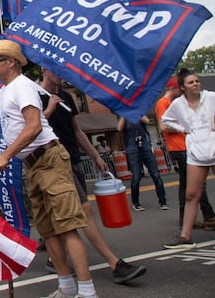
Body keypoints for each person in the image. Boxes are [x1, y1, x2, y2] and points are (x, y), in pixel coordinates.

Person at [0, 40, 98, 298]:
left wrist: (6, 156)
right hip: (34, 164)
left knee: (66, 225)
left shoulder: (22, 87)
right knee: (48, 229)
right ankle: (66, 286)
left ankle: (87, 291)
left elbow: (34, 126)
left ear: (11, 62)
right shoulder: (8, 89)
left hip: (49, 160)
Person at [41, 67, 146, 284]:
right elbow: (33, 127)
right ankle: (115, 264)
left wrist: (96, 156)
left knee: (62, 216)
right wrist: (49, 109)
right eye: (56, 69)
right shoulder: (36, 95)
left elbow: (77, 130)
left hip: (75, 159)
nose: (61, 73)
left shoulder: (67, 96)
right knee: (84, 211)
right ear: (44, 68)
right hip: (57, 163)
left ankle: (54, 258)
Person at [161, 68, 215, 249]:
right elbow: (165, 121)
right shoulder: (178, 104)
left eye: (197, 81)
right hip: (196, 151)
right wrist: (182, 129)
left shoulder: (212, 97)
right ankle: (185, 236)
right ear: (182, 87)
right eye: (190, 82)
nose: (195, 84)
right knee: (191, 195)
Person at [116, 116, 168, 211]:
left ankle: (163, 201)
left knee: (156, 175)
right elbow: (119, 128)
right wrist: (125, 113)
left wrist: (137, 112)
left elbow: (147, 120)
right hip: (132, 150)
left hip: (145, 148)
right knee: (136, 177)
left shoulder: (139, 113)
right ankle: (136, 203)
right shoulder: (123, 115)